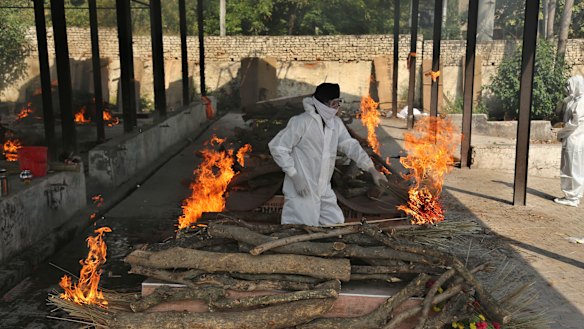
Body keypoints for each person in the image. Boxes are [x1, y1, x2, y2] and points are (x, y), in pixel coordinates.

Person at [268, 83, 388, 225]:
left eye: (338, 103)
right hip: (303, 187)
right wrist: (294, 175)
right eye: (333, 103)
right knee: (301, 227)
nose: (336, 108)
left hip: (323, 187)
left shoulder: (335, 124)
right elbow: (278, 147)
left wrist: (371, 169)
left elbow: (351, 146)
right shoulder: (301, 122)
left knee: (334, 222)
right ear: (321, 103)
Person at [554, 75, 584, 207]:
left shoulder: (580, 102)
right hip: (571, 138)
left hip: (574, 138)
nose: (566, 88)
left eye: (569, 85)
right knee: (570, 168)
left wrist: (561, 133)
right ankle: (573, 195)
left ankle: (572, 198)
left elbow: (574, 123)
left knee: (573, 169)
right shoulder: (573, 100)